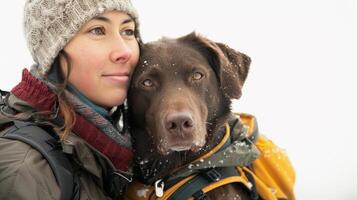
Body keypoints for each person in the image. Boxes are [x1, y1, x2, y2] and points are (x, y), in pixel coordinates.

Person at [0, 0, 140, 199]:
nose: (124, 52)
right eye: (98, 30)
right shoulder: (25, 170)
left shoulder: (117, 147)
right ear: (54, 50)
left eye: (128, 31)